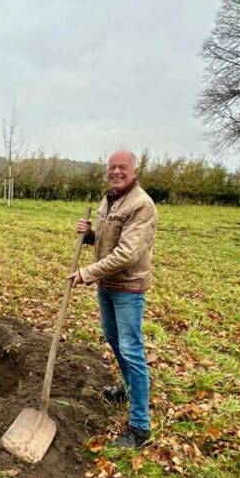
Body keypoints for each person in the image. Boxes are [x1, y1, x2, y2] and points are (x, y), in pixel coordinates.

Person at [68, 150, 158, 449]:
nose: (116, 172)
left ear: (134, 171)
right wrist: (91, 235)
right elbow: (110, 242)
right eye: (112, 167)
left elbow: (127, 254)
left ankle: (139, 426)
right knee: (114, 339)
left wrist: (86, 273)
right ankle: (130, 388)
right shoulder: (109, 200)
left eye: (123, 167)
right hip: (108, 284)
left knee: (132, 350)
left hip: (127, 287)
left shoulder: (142, 205)